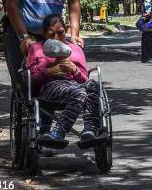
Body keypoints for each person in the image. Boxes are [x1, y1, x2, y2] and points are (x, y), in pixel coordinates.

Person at [27, 14, 99, 145]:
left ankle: (90, 127)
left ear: (66, 30)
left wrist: (75, 71)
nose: (56, 38)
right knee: (81, 92)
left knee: (93, 84)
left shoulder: (75, 49)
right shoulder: (36, 49)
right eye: (51, 34)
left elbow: (84, 78)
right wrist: (49, 72)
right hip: (50, 86)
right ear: (43, 33)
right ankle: (59, 130)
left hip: (75, 84)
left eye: (60, 33)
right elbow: (30, 79)